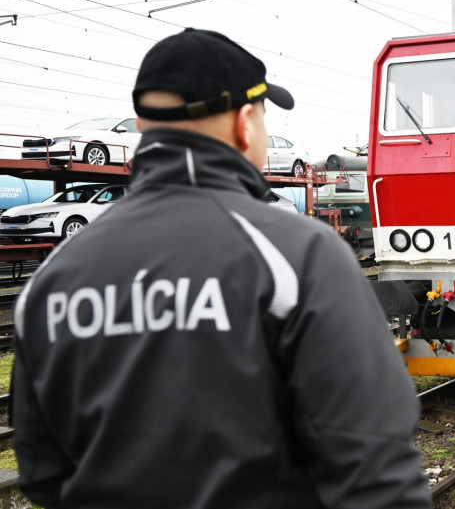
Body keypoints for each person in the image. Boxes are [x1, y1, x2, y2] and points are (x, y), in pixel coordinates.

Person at [12, 28, 432, 509]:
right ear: (243, 123)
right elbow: (377, 470)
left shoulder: (52, 279)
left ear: (142, 124)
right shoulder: (296, 257)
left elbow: (42, 474)